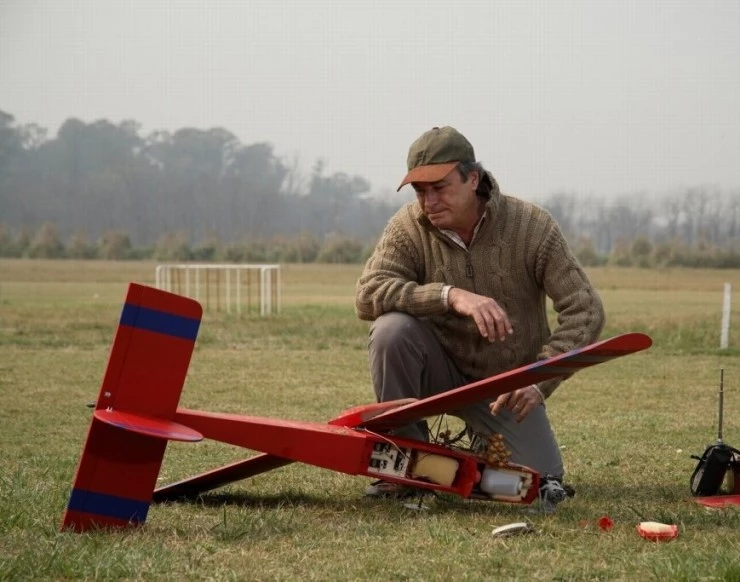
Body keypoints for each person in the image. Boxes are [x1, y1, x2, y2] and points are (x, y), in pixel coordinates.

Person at [355, 126, 605, 507]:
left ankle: (484, 441)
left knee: (538, 480)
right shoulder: (407, 227)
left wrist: (538, 380)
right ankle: (403, 461)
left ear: (473, 179)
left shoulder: (532, 226)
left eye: (439, 187)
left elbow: (586, 309)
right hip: (436, 375)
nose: (428, 201)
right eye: (420, 191)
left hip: (504, 389)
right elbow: (368, 294)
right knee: (390, 331)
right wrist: (449, 296)